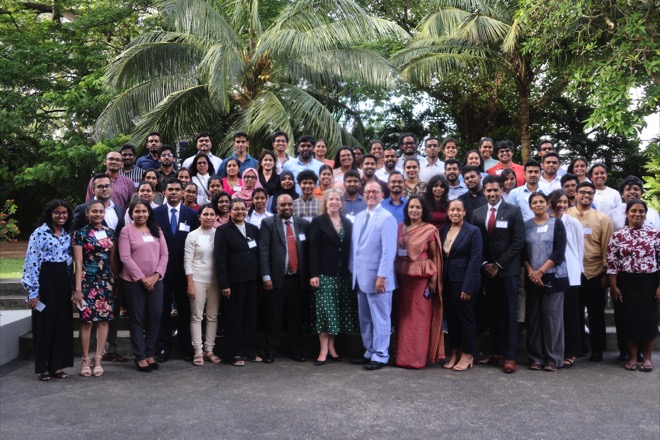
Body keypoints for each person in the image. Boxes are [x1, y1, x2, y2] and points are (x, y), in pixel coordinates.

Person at [473, 175, 525, 374]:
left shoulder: (513, 211)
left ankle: (510, 356)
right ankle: (496, 352)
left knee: (509, 314)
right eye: (488, 190)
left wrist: (499, 264)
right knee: (492, 313)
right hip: (487, 271)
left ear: (502, 190)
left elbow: (518, 242)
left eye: (495, 190)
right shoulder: (477, 213)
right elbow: (476, 242)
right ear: (484, 191)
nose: (492, 193)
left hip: (507, 271)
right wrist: (486, 264)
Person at [22, 200, 75, 381]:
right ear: (50, 214)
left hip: (63, 283)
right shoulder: (39, 233)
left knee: (61, 324)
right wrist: (33, 292)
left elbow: (69, 263)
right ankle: (43, 367)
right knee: (44, 324)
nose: (61, 216)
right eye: (57, 212)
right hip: (45, 281)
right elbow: (32, 261)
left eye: (64, 212)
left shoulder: (67, 235)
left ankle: (56, 365)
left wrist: (72, 287)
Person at [607, 199, 660, 372]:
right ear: (627, 213)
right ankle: (633, 357)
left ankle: (648, 358)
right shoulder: (618, 235)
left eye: (641, 211)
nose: (637, 214)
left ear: (646, 214)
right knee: (628, 319)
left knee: (649, 320)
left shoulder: (655, 234)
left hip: (649, 282)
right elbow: (612, 263)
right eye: (634, 211)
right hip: (626, 282)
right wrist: (613, 286)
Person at [350, 182, 398, 370]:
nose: (370, 194)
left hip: (379, 279)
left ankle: (381, 355)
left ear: (381, 195)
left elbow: (389, 251)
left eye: (374, 192)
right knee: (365, 319)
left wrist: (382, 276)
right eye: (367, 192)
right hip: (360, 278)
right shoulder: (359, 216)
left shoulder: (387, 218)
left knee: (380, 318)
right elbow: (356, 248)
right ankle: (369, 351)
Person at [309, 189, 359, 366]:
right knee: (325, 312)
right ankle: (322, 350)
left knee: (336, 312)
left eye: (337, 199)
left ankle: (332, 347)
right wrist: (313, 273)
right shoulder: (318, 221)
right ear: (325, 202)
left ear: (341, 203)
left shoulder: (347, 222)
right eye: (331, 199)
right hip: (325, 274)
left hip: (343, 275)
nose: (334, 202)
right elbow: (313, 249)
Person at [153, 178, 200, 362]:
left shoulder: (191, 215)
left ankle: (186, 346)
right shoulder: (155, 213)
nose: (173, 192)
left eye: (177, 189)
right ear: (164, 192)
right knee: (163, 309)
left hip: (184, 271)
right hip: (162, 270)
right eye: (170, 189)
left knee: (185, 309)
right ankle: (164, 346)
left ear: (182, 192)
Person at [394, 196, 444, 369]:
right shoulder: (400, 227)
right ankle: (402, 358)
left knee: (420, 319)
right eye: (411, 207)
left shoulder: (429, 230)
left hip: (421, 280)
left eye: (418, 207)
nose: (414, 210)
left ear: (424, 210)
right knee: (403, 318)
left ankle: (417, 359)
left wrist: (433, 281)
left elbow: (435, 257)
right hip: (402, 279)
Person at [259, 194, 310, 363]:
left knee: (296, 317)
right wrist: (266, 276)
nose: (286, 208)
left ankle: (295, 350)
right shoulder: (268, 223)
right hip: (275, 279)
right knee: (274, 317)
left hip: (297, 280)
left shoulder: (303, 224)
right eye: (283, 205)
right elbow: (263, 251)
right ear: (276, 207)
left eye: (289, 204)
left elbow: (307, 251)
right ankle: (270, 351)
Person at [119, 199, 168, 372]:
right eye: (137, 211)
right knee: (137, 319)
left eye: (144, 211)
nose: (141, 214)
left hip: (156, 281)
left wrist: (156, 276)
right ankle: (140, 356)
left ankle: (149, 354)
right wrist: (142, 278)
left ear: (149, 213)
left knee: (155, 318)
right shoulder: (126, 231)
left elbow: (164, 255)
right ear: (131, 213)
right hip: (133, 282)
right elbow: (125, 257)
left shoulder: (156, 230)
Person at [567, 181, 613, 362]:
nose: (586, 195)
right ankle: (577, 347)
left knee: (596, 313)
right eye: (582, 192)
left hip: (594, 272)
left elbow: (607, 248)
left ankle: (597, 349)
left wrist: (606, 273)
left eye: (590, 193)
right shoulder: (566, 215)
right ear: (575, 194)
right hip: (571, 272)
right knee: (574, 312)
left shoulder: (602, 218)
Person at [72, 200, 119, 377]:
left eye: (101, 211)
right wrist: (77, 288)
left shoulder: (110, 233)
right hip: (87, 281)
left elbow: (112, 260)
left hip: (106, 281)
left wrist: (116, 280)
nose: (98, 214)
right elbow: (78, 263)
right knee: (87, 321)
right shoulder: (80, 234)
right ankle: (85, 359)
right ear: (87, 213)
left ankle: (98, 359)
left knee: (104, 320)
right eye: (94, 211)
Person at [522, 192, 569, 371]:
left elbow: (559, 252)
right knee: (534, 319)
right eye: (534, 202)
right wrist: (532, 273)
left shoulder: (557, 224)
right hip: (532, 278)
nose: (538, 204)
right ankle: (535, 358)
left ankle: (553, 359)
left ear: (548, 204)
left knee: (552, 319)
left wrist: (540, 272)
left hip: (553, 277)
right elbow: (523, 253)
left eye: (541, 201)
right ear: (530, 206)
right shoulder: (526, 225)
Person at [215, 198, 261, 366]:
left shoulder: (253, 229)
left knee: (251, 316)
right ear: (230, 211)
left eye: (243, 209)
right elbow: (220, 259)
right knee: (234, 317)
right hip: (233, 282)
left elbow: (257, 254)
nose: (240, 212)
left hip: (251, 280)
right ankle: (234, 353)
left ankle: (250, 350)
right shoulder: (223, 230)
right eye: (236, 209)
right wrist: (224, 284)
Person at [439, 199, 482, 371]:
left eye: (458, 210)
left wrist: (467, 286)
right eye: (452, 210)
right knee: (451, 320)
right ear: (448, 212)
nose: (455, 213)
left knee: (465, 318)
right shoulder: (442, 231)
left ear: (464, 212)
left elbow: (475, 260)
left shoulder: (473, 231)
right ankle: (454, 352)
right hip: (447, 281)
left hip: (464, 281)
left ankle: (467, 354)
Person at [548, 190, 584, 368]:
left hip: (570, 272)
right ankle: (553, 350)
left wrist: (579, 271)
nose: (561, 205)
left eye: (564, 202)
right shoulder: (545, 221)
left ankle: (571, 351)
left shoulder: (573, 223)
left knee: (570, 314)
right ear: (551, 202)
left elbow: (579, 248)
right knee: (554, 314)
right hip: (550, 272)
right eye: (558, 201)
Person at [184, 204, 221, 367]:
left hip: (216, 281)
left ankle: (209, 350)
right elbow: (187, 261)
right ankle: (198, 351)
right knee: (197, 316)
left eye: (212, 214)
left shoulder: (219, 234)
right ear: (199, 217)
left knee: (212, 316)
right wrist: (190, 283)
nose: (209, 217)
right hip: (197, 279)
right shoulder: (192, 235)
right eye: (205, 214)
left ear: (216, 217)